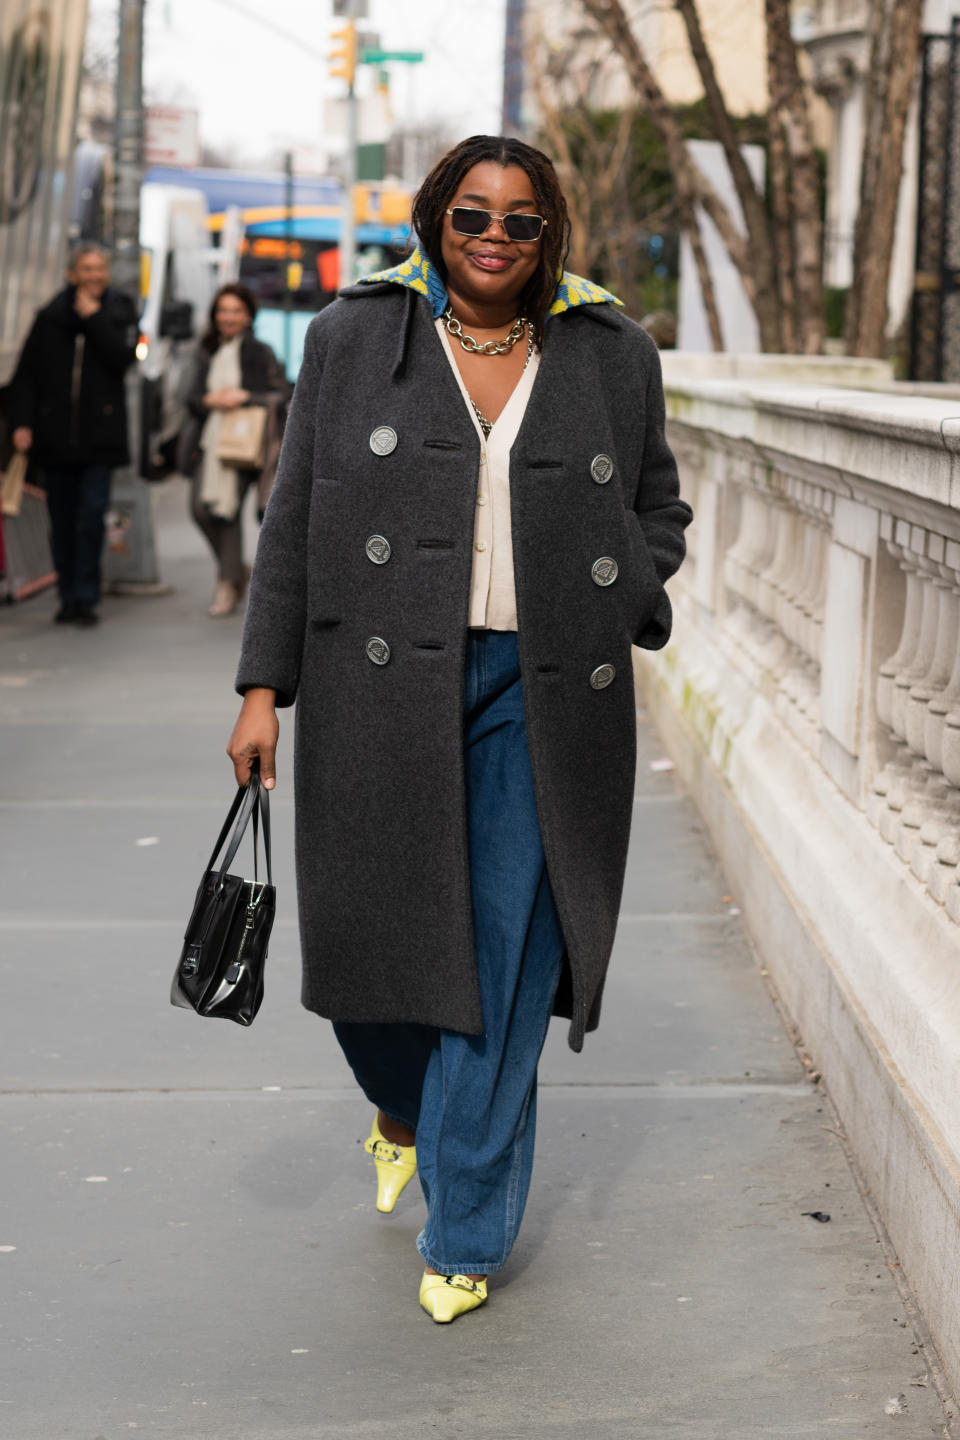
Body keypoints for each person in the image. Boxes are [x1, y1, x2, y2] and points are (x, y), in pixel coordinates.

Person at [226, 135, 692, 1323]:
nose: (495, 235)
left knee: (502, 956)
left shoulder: (608, 350)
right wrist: (260, 688)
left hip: (548, 693)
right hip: (380, 694)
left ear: (550, 235)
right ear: (437, 218)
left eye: (522, 219)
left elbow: (657, 500)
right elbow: (291, 523)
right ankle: (399, 1100)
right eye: (473, 213)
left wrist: (631, 585)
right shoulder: (352, 338)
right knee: (378, 974)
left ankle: (466, 1231)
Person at [8, 243, 137, 626]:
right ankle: (67, 595)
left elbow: (122, 359)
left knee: (91, 515)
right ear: (72, 274)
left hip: (100, 440)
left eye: (100, 268)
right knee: (61, 521)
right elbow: (26, 377)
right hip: (56, 439)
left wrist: (94, 319)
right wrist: (22, 423)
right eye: (86, 269)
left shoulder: (119, 311)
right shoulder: (50, 316)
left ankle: (87, 596)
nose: (94, 276)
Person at [179, 284, 289, 617]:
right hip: (208, 444)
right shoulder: (205, 351)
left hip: (245, 446)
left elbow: (281, 394)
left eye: (235, 311)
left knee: (225, 513)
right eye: (223, 311)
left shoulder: (260, 352)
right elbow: (191, 397)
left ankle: (226, 587)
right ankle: (236, 571)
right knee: (200, 509)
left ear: (248, 317)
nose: (228, 317)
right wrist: (209, 400)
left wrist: (245, 397)